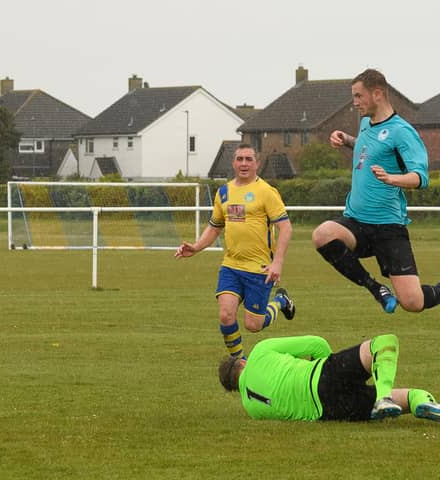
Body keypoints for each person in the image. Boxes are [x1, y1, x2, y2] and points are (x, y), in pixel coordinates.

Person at [312, 68, 440, 314]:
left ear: (378, 93)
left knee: (412, 302)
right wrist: (347, 140)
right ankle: (376, 289)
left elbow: (421, 177)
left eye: (359, 96)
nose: (355, 102)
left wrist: (394, 178)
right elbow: (369, 149)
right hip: (356, 222)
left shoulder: (402, 131)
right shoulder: (365, 125)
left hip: (387, 227)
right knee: (322, 234)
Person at [175, 143, 295, 359]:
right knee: (226, 315)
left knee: (253, 325)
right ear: (233, 162)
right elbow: (215, 226)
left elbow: (285, 227)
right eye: (239, 159)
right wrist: (196, 247)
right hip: (231, 266)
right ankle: (239, 362)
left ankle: (281, 302)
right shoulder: (224, 192)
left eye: (249, 159)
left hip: (259, 268)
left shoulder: (266, 192)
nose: (244, 164)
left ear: (257, 163)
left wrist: (277, 262)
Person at [218, 333, 440, 422]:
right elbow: (317, 344)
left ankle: (417, 401)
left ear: (235, 389)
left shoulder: (251, 409)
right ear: (243, 362)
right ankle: (387, 397)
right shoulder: (258, 352)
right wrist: (333, 369)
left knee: (405, 397)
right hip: (321, 377)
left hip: (330, 411)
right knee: (385, 342)